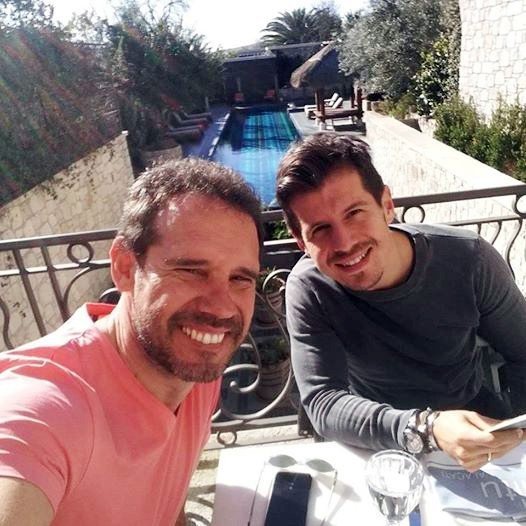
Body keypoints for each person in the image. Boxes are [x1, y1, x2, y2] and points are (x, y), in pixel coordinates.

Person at [0, 158, 262, 525]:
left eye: (240, 279)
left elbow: (167, 500)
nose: (220, 308)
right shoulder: (43, 409)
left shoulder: (196, 368)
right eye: (190, 270)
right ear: (125, 268)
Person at [276, 132, 526, 472]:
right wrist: (426, 429)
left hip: (477, 427)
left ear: (387, 205)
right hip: (376, 442)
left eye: (354, 213)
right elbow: (323, 402)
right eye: (320, 229)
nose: (344, 243)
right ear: (301, 241)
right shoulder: (310, 287)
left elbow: (522, 351)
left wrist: (518, 433)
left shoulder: (470, 260)